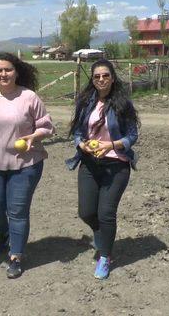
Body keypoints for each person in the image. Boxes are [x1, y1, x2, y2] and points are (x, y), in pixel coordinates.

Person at [0, 52, 54, 279]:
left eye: (8, 70)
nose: (3, 74)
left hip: (25, 165)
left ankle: (15, 256)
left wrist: (34, 137)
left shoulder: (29, 97)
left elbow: (47, 126)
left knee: (17, 212)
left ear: (17, 71)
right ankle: (5, 232)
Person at [66, 59, 139, 280]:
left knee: (106, 213)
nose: (101, 80)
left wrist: (112, 145)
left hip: (116, 165)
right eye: (97, 76)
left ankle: (105, 256)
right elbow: (78, 131)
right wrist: (82, 144)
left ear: (112, 77)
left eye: (105, 75)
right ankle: (103, 236)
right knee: (86, 212)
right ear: (93, 79)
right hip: (89, 162)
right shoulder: (86, 101)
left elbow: (132, 136)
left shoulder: (123, 104)